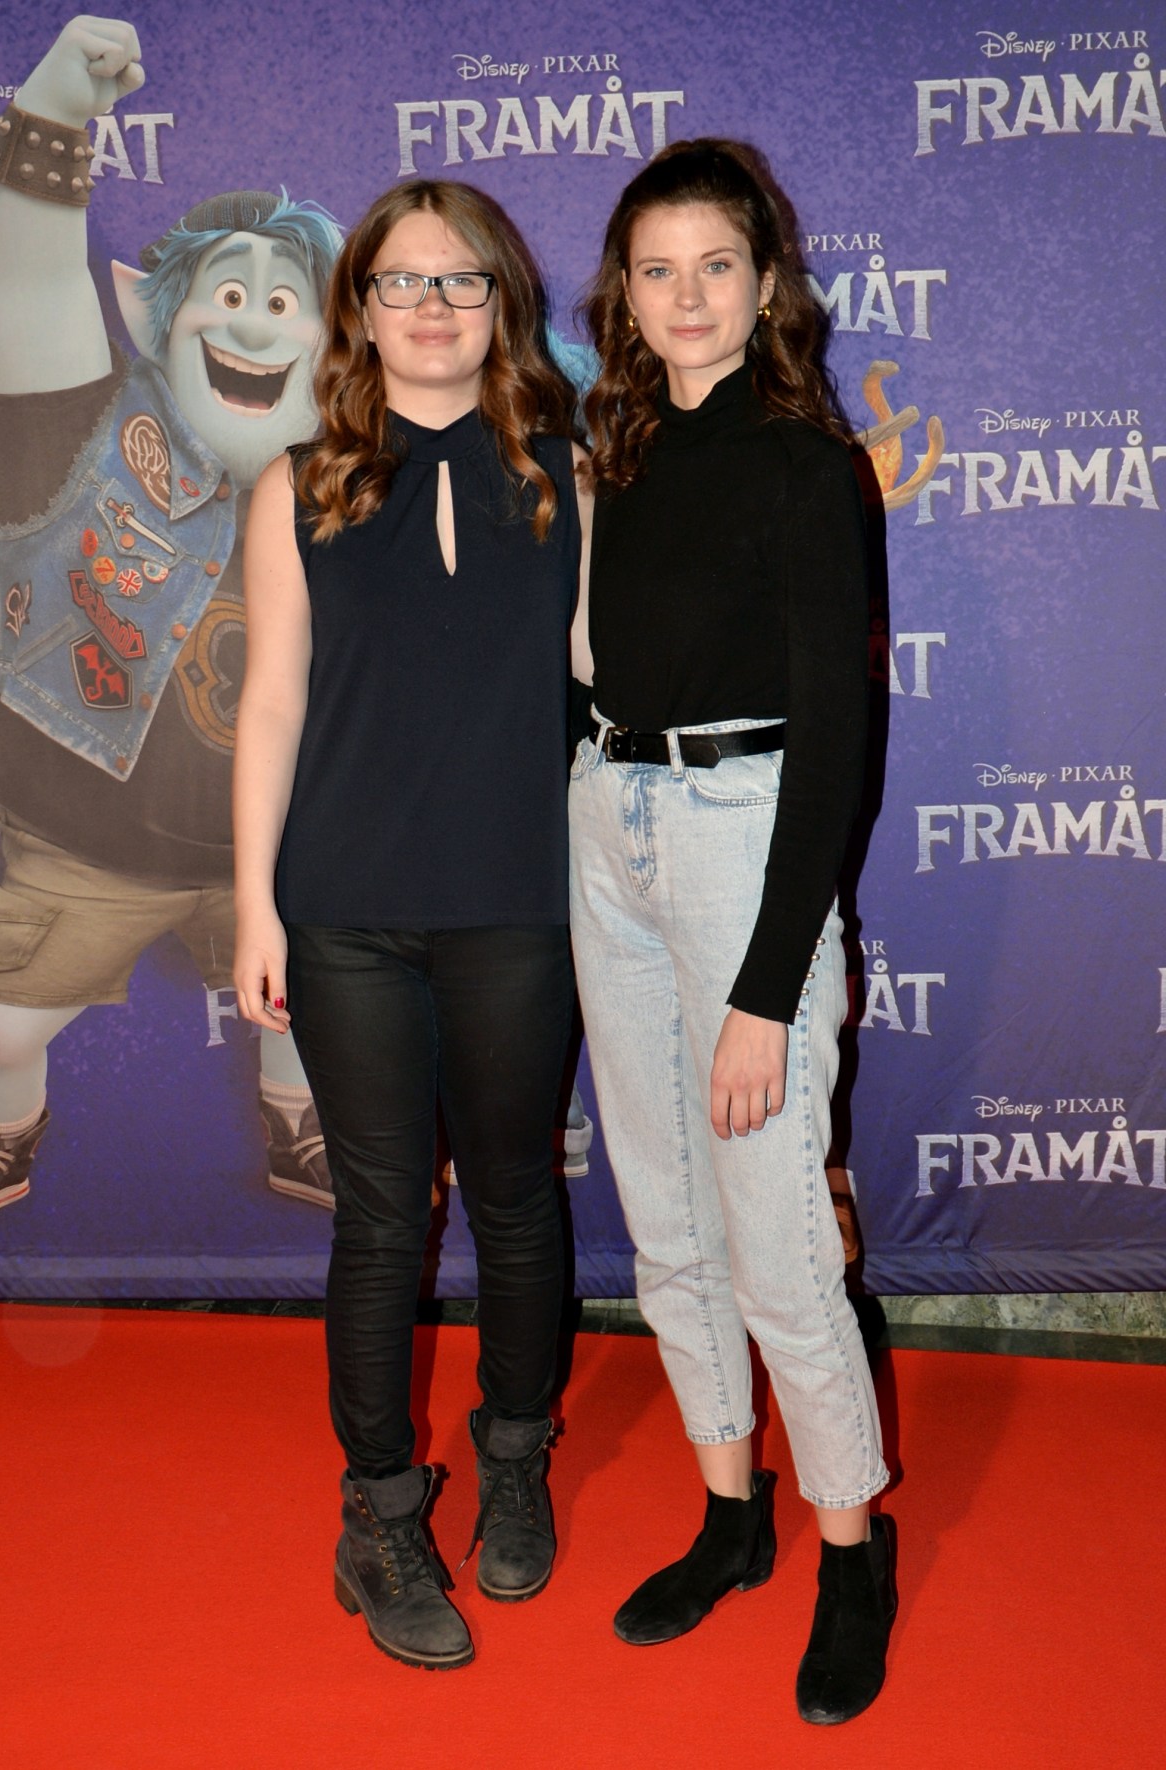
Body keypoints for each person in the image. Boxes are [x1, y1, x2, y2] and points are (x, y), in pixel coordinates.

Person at [233, 180, 590, 1671]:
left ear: (503, 305)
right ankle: (379, 1512)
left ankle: (514, 1460)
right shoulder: (297, 486)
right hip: (348, 914)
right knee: (382, 1220)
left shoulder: (572, 475)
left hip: (520, 901)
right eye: (401, 281)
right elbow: (270, 703)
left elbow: (606, 674)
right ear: (360, 309)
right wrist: (255, 902)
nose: (432, 308)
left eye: (462, 282)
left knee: (515, 1198)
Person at [570, 139, 894, 1725]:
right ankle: (729, 1512)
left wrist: (772, 988)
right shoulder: (615, 451)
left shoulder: (807, 465)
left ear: (767, 284)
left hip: (742, 840)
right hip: (607, 827)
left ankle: (850, 1546)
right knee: (668, 1221)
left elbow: (840, 737)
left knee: (776, 1236)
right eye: (658, 268)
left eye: (716, 265)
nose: (686, 294)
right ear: (623, 296)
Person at [0, 15, 342, 1222]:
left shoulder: (362, 478)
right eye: (226, 295)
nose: (253, 323)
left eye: (286, 302)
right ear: (149, 317)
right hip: (85, 850)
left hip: (290, 851)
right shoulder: (78, 432)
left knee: (338, 998)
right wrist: (52, 114)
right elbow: (23, 286)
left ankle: (304, 1118)